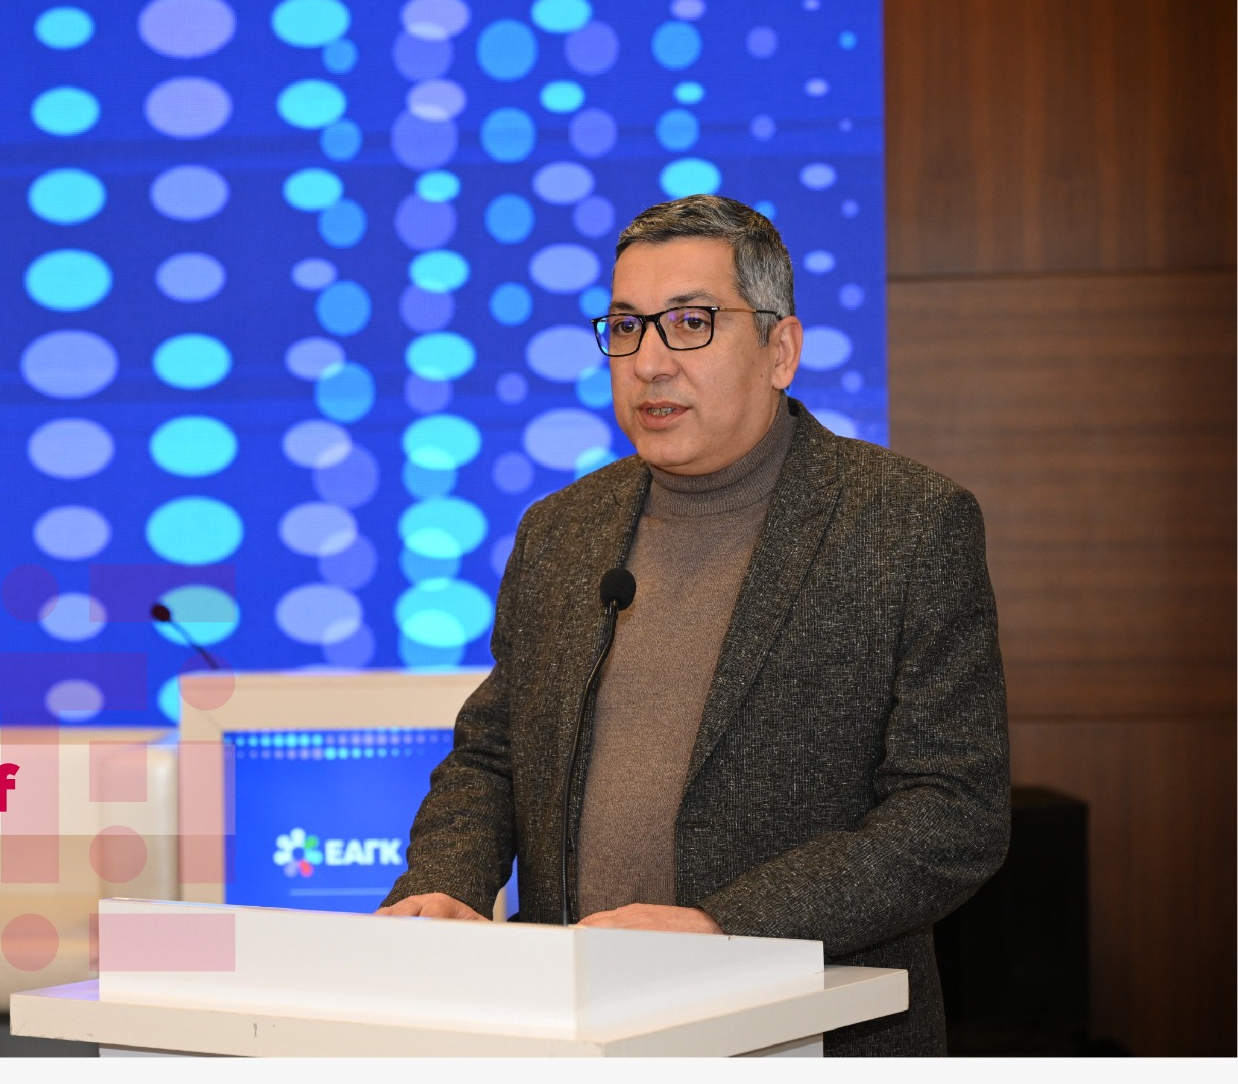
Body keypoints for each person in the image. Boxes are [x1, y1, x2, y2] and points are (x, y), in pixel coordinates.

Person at [376, 194, 1010, 1056]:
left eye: (690, 323)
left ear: (781, 350)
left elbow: (953, 812)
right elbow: (494, 754)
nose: (649, 363)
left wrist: (725, 927)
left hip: (807, 1030)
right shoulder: (562, 531)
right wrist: (445, 886)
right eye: (626, 327)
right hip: (574, 1030)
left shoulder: (905, 524)